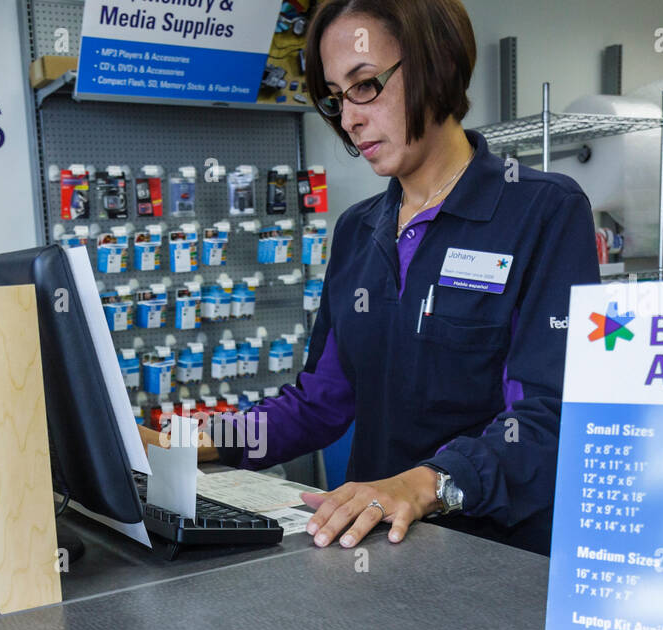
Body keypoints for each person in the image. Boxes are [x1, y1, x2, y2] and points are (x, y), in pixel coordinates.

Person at [193, 0, 600, 556]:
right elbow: (321, 401)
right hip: (370, 553)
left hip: (494, 558)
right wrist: (196, 441)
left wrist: (422, 484)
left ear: (437, 62)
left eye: (365, 85)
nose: (349, 119)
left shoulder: (542, 211)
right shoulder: (360, 230)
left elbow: (548, 417)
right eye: (334, 99)